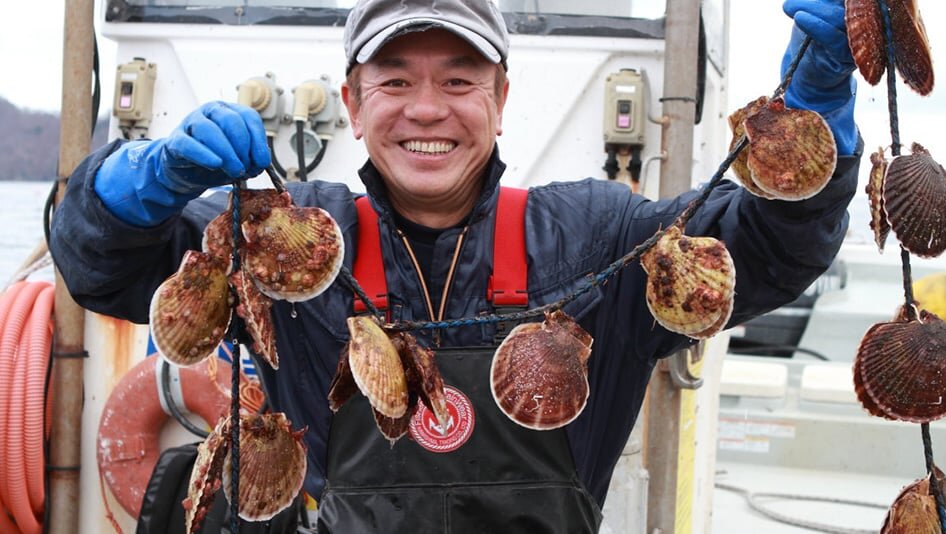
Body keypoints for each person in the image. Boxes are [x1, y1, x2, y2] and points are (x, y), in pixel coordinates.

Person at [49, 0, 860, 531]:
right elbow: (104, 267)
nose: (427, 109)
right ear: (355, 102)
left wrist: (818, 127)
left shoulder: (595, 236)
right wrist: (134, 187)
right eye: (395, 80)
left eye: (458, 80)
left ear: (501, 98)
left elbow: (761, 250)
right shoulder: (286, 240)